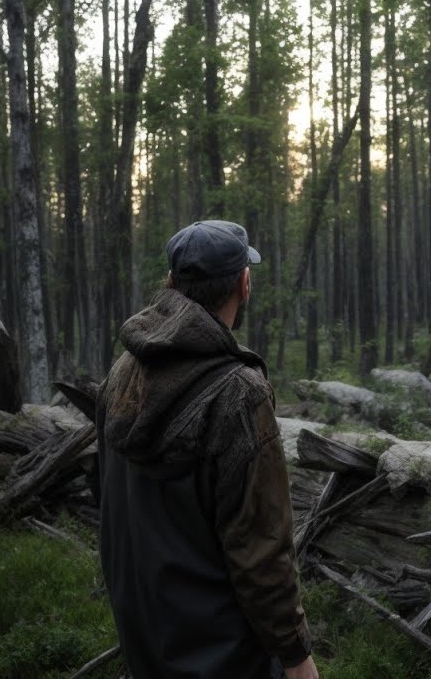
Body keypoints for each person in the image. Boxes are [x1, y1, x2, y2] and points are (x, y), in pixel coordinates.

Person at [95, 220, 318, 679]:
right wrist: (296, 657)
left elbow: (110, 500)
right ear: (244, 282)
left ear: (173, 284)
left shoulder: (124, 371)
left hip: (146, 639)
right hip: (226, 655)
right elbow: (261, 548)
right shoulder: (238, 394)